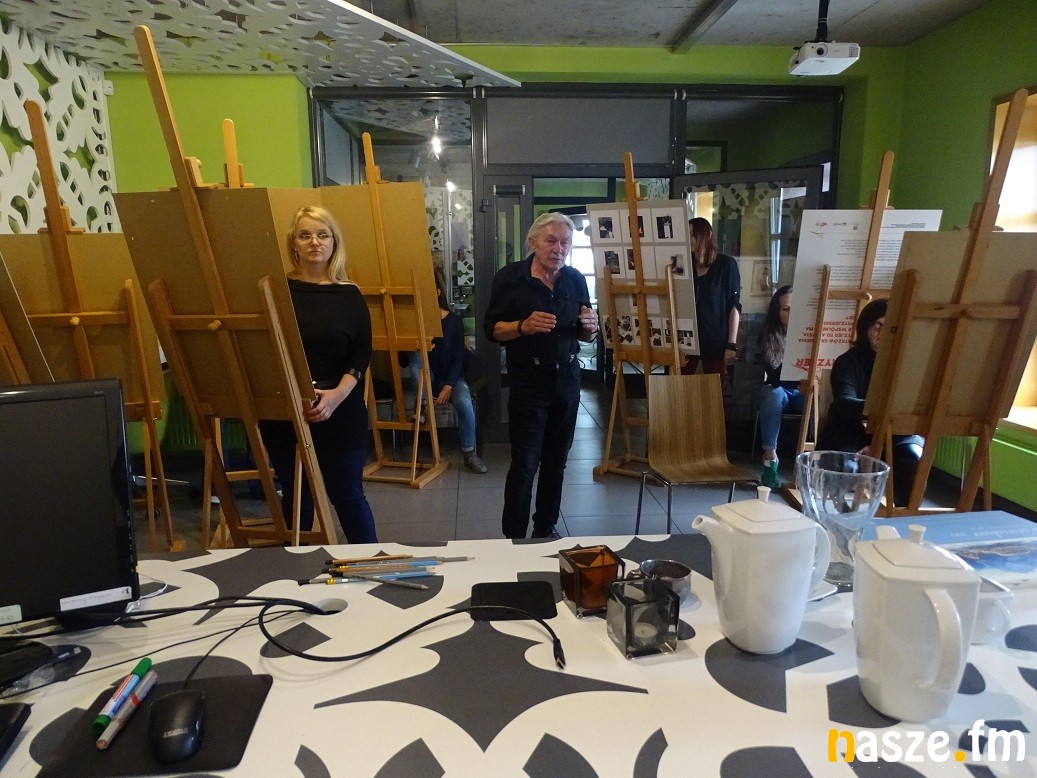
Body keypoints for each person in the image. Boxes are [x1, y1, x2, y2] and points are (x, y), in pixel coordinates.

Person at [259, 205, 377, 543]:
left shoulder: (349, 293)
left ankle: (371, 562)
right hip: (287, 408)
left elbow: (362, 351)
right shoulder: (277, 292)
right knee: (297, 495)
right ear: (293, 243)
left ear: (334, 242)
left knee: (347, 493)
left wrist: (336, 396)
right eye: (305, 235)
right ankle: (295, 567)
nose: (314, 242)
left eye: (322, 235)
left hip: (340, 407)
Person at [483, 212, 599, 539]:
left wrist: (591, 329)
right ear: (533, 242)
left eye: (565, 243)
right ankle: (514, 537)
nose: (558, 249)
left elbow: (585, 333)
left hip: (567, 383)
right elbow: (492, 330)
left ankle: (545, 530)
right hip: (529, 383)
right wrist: (523, 326)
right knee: (524, 466)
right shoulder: (509, 278)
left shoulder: (575, 279)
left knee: (556, 464)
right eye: (551, 241)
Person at [817, 298, 924, 507]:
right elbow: (845, 401)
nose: (883, 333)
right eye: (878, 325)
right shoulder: (848, 361)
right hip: (851, 432)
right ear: (865, 327)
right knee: (845, 466)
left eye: (890, 327)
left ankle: (902, 513)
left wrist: (879, 442)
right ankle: (841, 515)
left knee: (911, 459)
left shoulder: (908, 364)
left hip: (895, 434)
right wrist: (879, 421)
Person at [408, 271, 487, 474]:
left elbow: (458, 358)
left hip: (451, 378)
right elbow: (406, 362)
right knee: (415, 355)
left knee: (464, 403)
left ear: (437, 292)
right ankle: (423, 407)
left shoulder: (453, 321)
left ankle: (469, 454)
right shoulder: (415, 321)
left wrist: (449, 385)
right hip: (425, 379)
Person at [681, 217, 741, 382]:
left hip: (715, 341)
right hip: (686, 341)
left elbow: (734, 306)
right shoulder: (684, 265)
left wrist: (731, 344)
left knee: (712, 392)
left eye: (692, 234)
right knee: (681, 390)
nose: (688, 239)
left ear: (707, 235)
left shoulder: (726, 264)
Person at [756, 285, 803, 489]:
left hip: (803, 390)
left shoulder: (812, 334)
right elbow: (775, 376)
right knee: (772, 394)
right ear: (777, 311)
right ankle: (770, 458)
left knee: (821, 399)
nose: (791, 314)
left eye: (795, 308)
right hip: (780, 389)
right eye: (785, 309)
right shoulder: (769, 335)